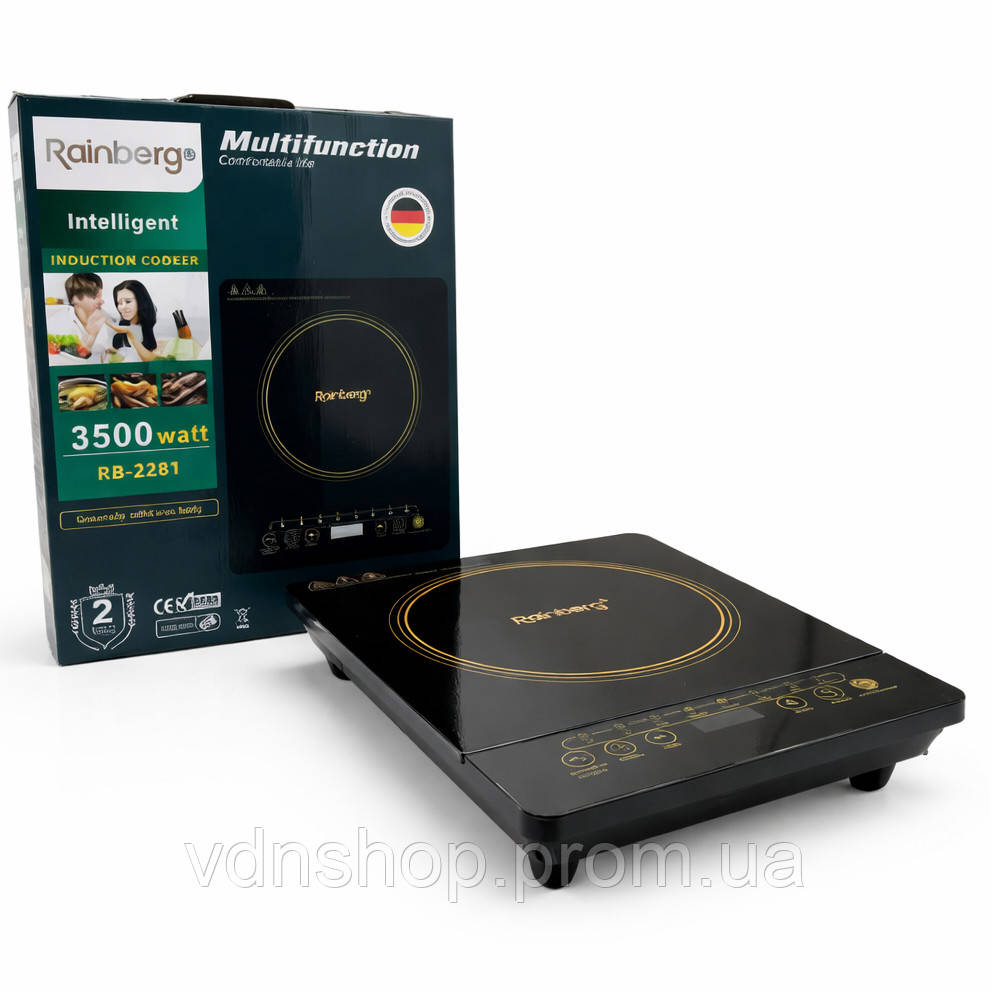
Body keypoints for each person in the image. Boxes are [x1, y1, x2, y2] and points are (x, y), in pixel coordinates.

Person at [46, 273, 112, 363]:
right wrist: (92, 335)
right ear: (75, 299)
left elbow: (104, 355)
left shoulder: (101, 322)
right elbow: (79, 356)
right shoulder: (58, 322)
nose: (101, 301)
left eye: (100, 296)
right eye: (95, 296)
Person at [105, 280, 160, 362]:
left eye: (128, 301)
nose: (123, 307)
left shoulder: (146, 329)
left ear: (141, 301)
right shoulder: (115, 329)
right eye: (119, 303)